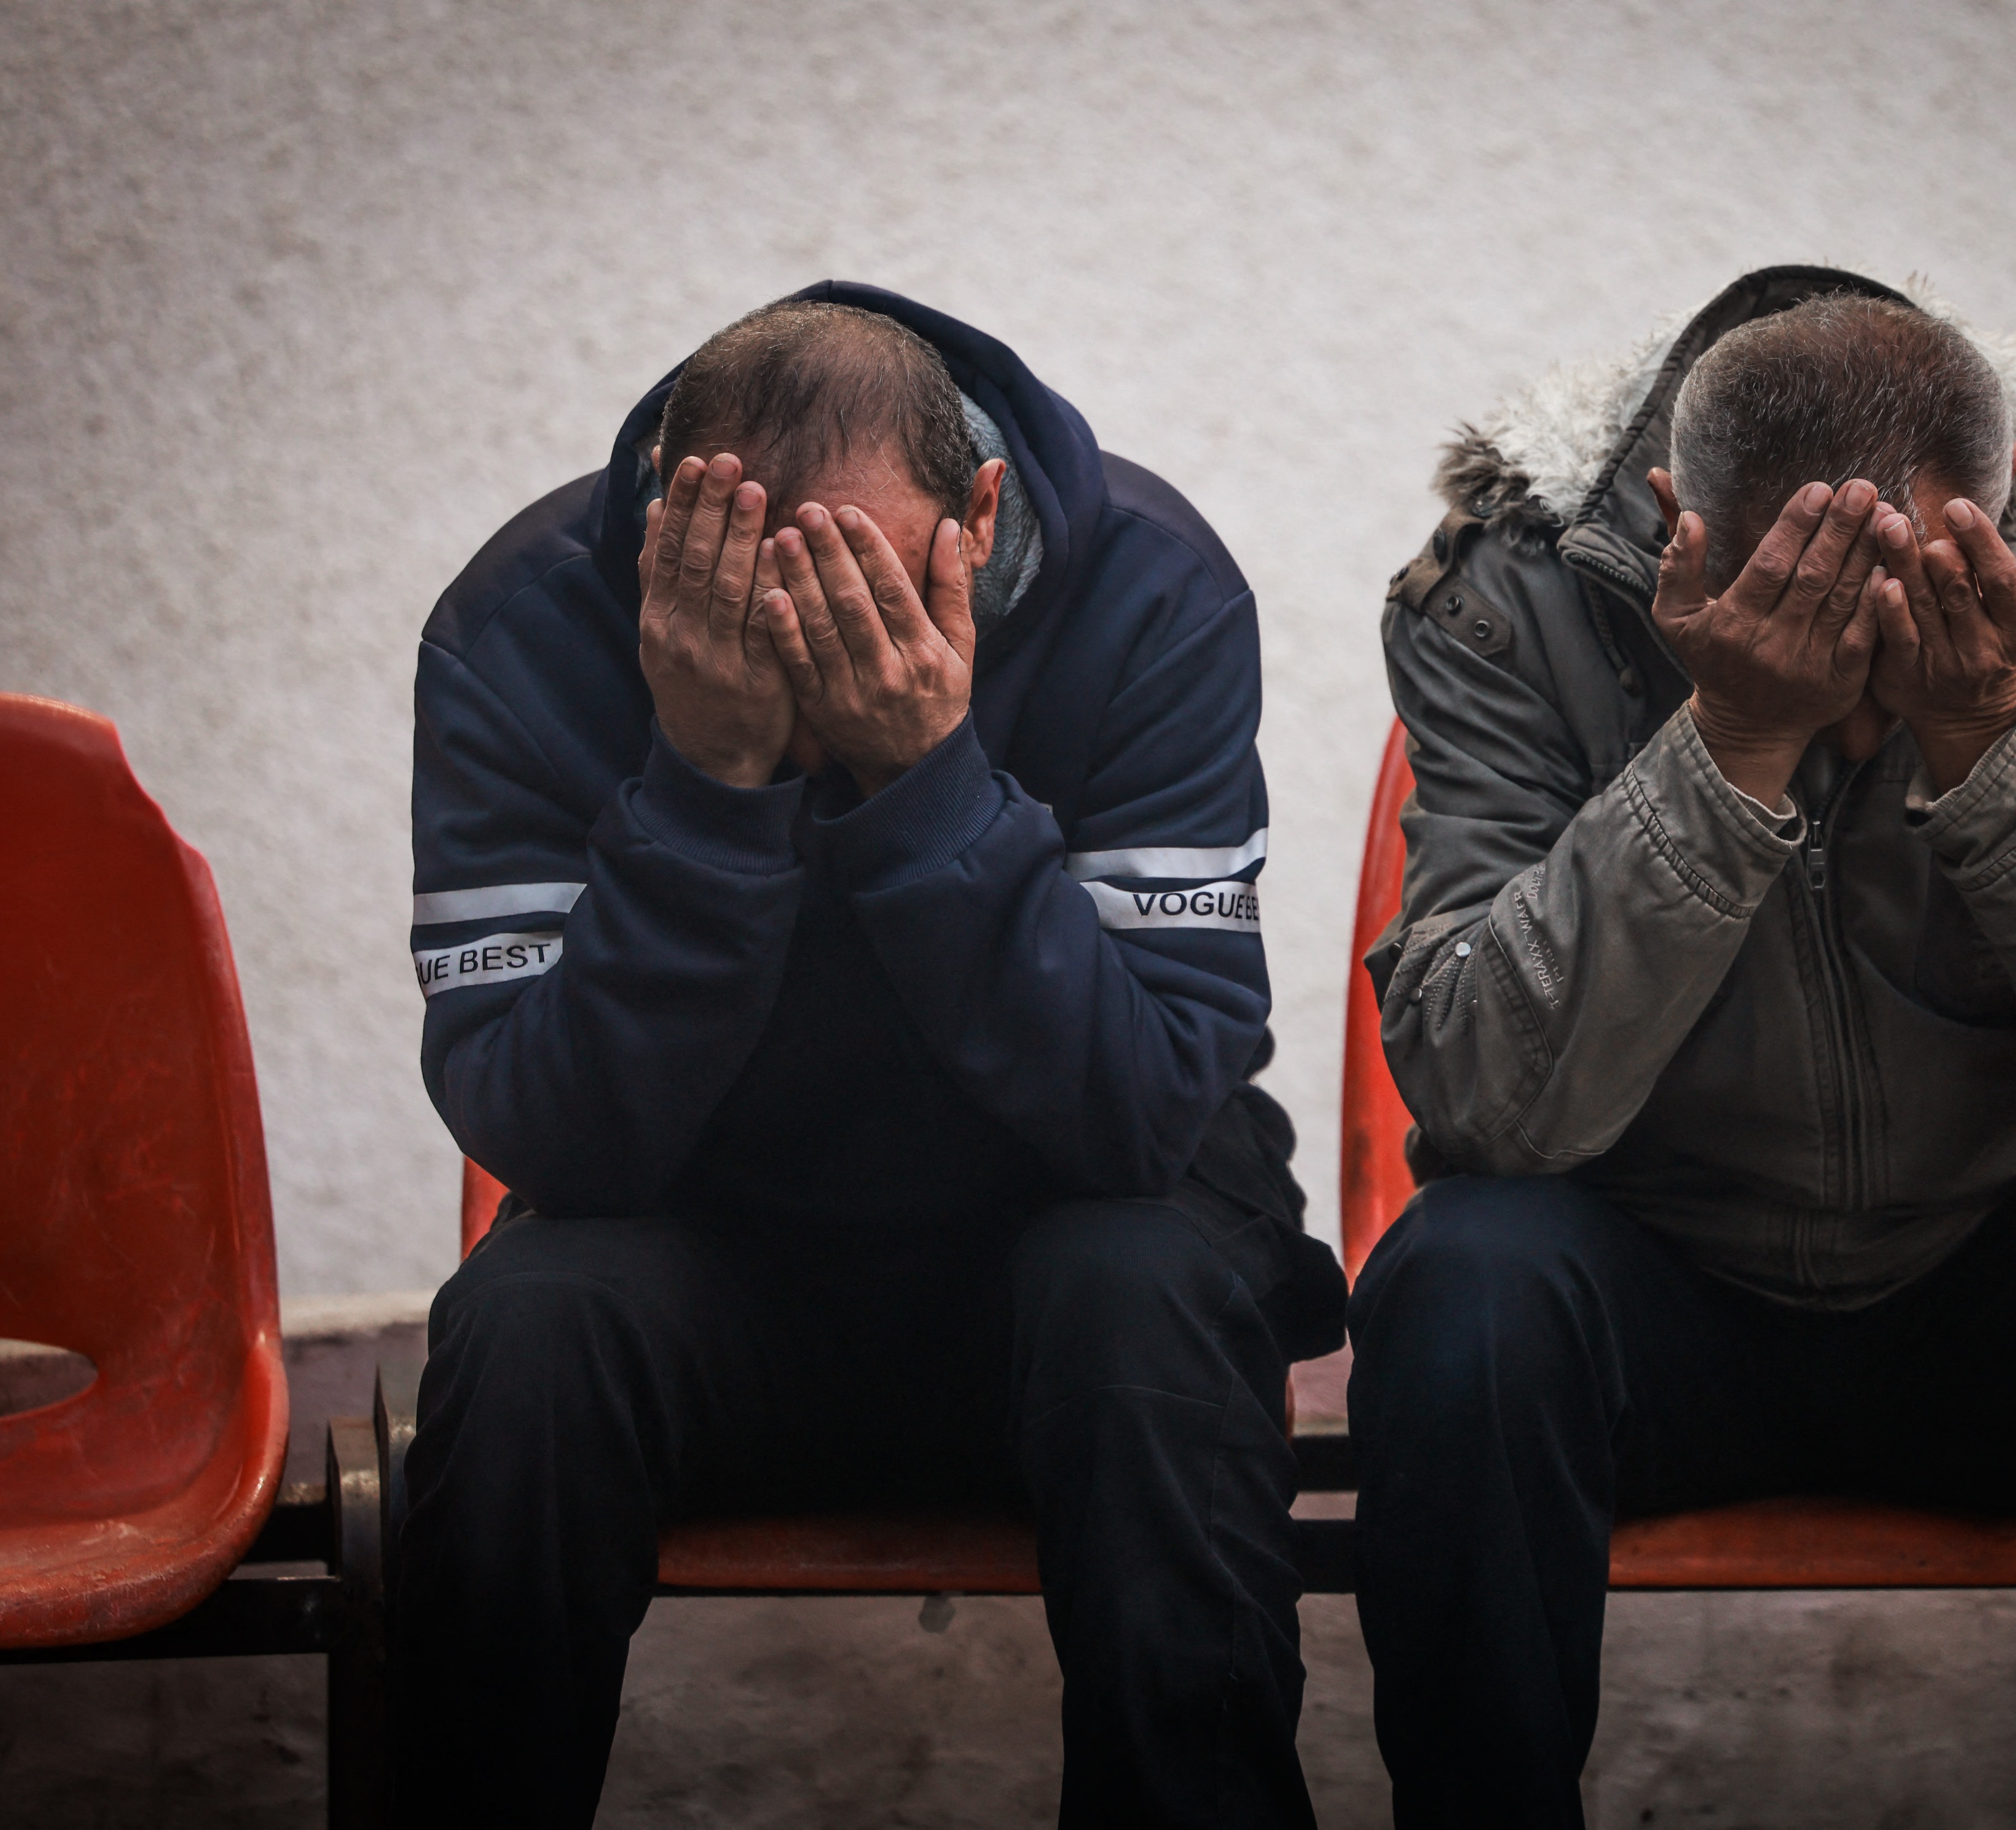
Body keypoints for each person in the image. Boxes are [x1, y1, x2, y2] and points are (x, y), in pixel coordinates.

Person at [1349, 266, 2016, 1827]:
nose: (1856, 698)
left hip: (2007, 1276)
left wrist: (1988, 744)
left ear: (1997, 510)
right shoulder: (1512, 596)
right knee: (1458, 1279)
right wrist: (1730, 743)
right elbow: (1487, 1097)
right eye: (1800, 603)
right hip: (1657, 1283)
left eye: (1898, 606)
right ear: (1671, 523)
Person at [397, 284, 1343, 1827]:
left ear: (981, 508)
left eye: (869, 590)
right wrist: (705, 782)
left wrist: (928, 785)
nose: (822, 657)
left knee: (1147, 1289)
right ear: (661, 530)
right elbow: (555, 1140)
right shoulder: (521, 631)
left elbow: (1146, 1108)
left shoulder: (1150, 594)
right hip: (721, 1244)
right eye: (764, 597)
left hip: (1071, 1223)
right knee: (531, 1325)